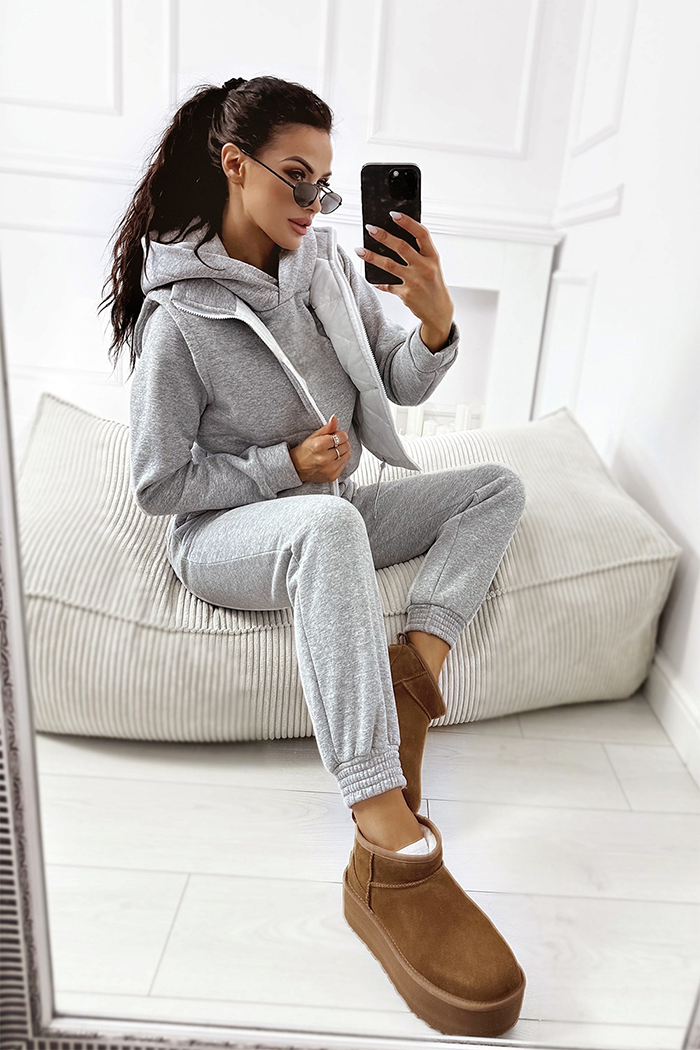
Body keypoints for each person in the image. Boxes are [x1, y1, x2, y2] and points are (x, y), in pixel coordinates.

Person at [99, 74, 527, 1036]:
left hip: (330, 507)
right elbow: (158, 484)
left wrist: (435, 320)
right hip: (225, 536)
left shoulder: (327, 266)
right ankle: (385, 838)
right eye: (297, 176)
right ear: (234, 164)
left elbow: (399, 385)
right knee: (331, 527)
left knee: (495, 486)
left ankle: (413, 675)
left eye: (325, 182)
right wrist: (281, 465)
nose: (314, 201)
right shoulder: (180, 319)